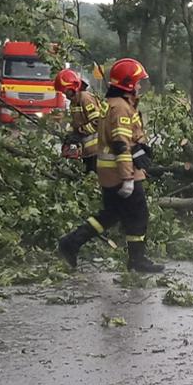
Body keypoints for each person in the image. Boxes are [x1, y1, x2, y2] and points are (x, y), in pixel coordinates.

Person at [57, 58, 164, 273]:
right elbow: (120, 145)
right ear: (128, 84)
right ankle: (137, 260)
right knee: (138, 214)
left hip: (108, 172)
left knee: (111, 214)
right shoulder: (121, 109)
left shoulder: (112, 104)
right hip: (121, 173)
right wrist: (127, 179)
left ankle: (71, 242)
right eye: (138, 82)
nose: (140, 86)